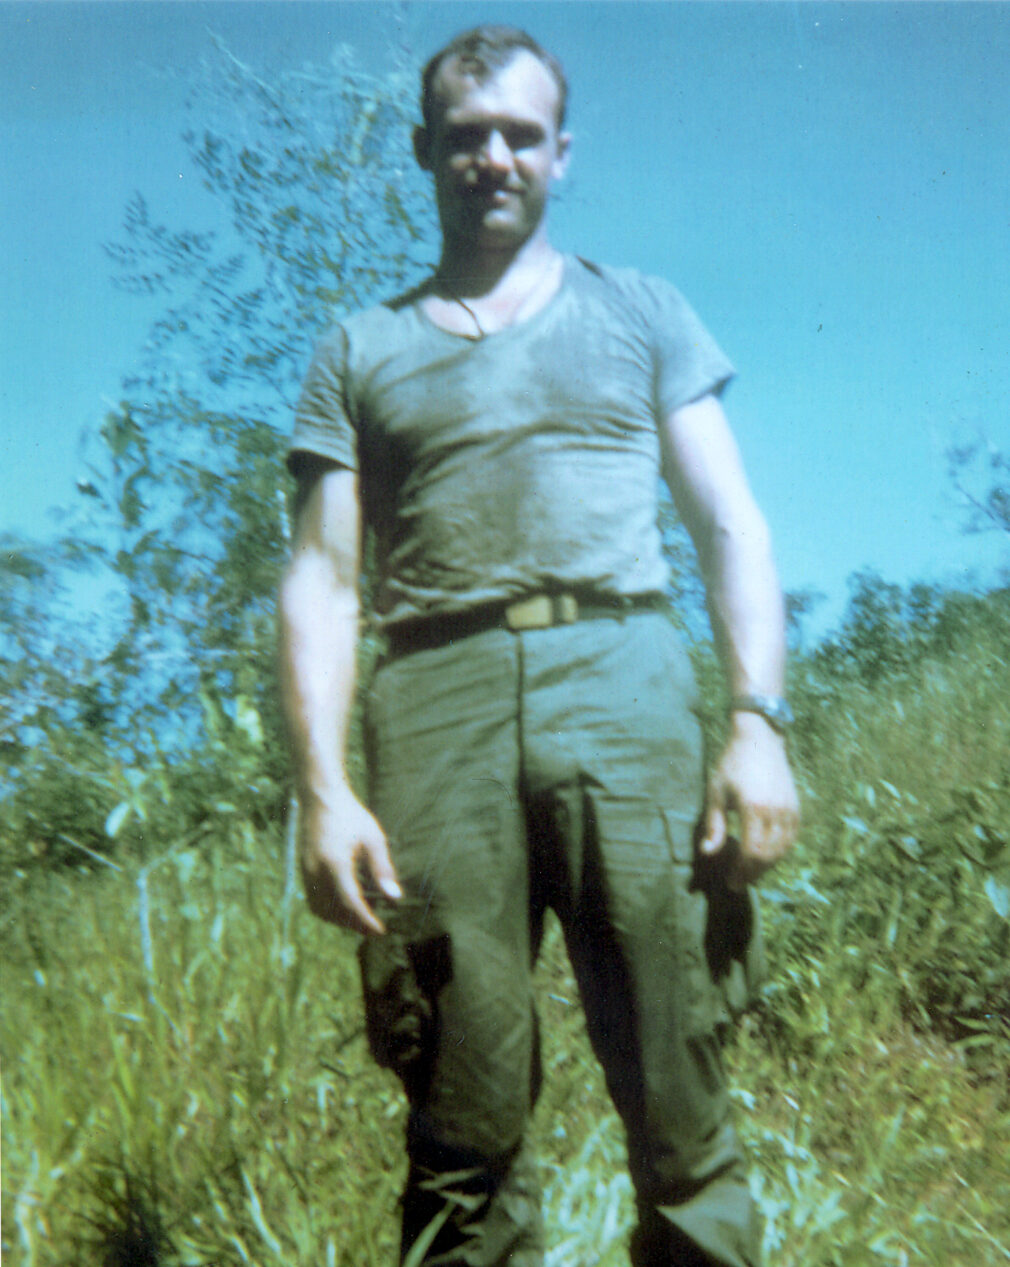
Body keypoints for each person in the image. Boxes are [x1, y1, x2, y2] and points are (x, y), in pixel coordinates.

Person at [278, 25, 799, 1267]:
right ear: (423, 153)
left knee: (678, 1095)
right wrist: (322, 790)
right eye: (466, 137)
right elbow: (320, 576)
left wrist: (754, 723)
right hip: (435, 704)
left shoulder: (641, 310)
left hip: (621, 678)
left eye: (519, 135)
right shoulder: (360, 350)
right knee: (461, 1121)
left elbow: (728, 521)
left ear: (560, 153)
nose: (493, 158)